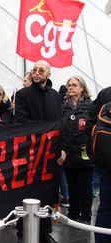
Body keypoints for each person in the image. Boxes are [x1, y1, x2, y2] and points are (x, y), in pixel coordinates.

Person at [14, 60, 64, 243]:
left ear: (48, 74)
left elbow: (59, 124)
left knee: (49, 193)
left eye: (41, 70)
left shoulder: (56, 96)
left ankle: (45, 232)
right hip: (30, 154)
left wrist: (62, 148)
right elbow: (20, 121)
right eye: (34, 69)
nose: (36, 72)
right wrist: (43, 130)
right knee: (27, 194)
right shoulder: (22, 95)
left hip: (50, 154)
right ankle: (23, 232)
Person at [60, 75, 93, 224]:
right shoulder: (63, 107)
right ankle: (73, 214)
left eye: (74, 85)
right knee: (71, 185)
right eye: (69, 85)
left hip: (84, 153)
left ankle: (85, 216)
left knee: (85, 187)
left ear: (82, 88)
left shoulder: (90, 106)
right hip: (68, 152)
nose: (70, 88)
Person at [86, 85, 111, 243]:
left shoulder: (106, 93)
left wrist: (93, 150)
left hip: (105, 161)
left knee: (106, 206)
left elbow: (89, 121)